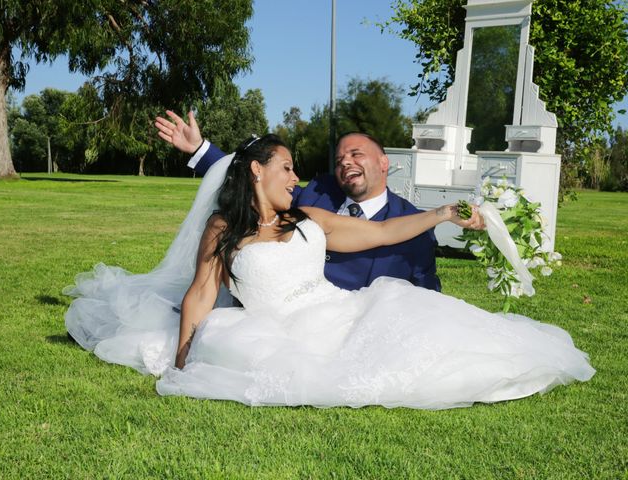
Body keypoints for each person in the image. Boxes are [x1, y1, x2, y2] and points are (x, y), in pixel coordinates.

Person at [65, 134, 594, 409]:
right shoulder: (225, 230)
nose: (296, 178)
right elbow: (202, 293)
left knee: (427, 330)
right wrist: (181, 361)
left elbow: (385, 232)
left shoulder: (309, 217)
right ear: (256, 171)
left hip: (339, 308)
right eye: (287, 168)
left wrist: (444, 214)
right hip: (281, 330)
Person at [154, 111, 441, 292]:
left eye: (356, 154)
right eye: (340, 159)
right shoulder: (318, 192)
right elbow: (263, 183)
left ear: (384, 162)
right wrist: (200, 150)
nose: (345, 163)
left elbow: (426, 294)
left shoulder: (413, 224)